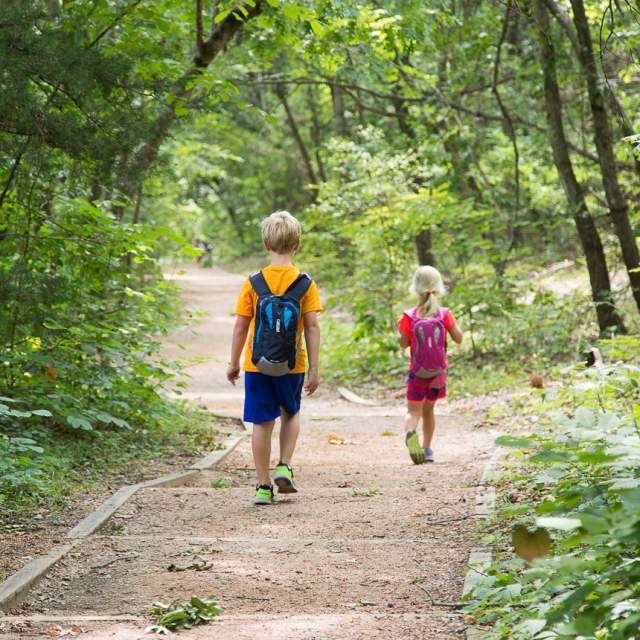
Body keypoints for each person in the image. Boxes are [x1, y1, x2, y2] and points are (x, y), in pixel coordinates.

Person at [226, 211, 322, 505]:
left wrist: (233, 363)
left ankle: (263, 486)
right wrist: (314, 369)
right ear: (297, 245)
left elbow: (241, 326)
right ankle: (284, 464)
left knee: (262, 423)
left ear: (266, 243)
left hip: (257, 364)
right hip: (292, 365)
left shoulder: (253, 283)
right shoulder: (306, 283)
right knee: (290, 413)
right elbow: (312, 326)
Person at [397, 266, 462, 464]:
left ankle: (410, 432)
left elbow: (403, 343)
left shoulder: (409, 316)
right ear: (438, 286)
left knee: (413, 411)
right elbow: (458, 338)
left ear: (415, 287)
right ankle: (427, 449)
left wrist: (400, 332)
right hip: (438, 374)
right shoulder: (444, 314)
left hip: (417, 373)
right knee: (429, 410)